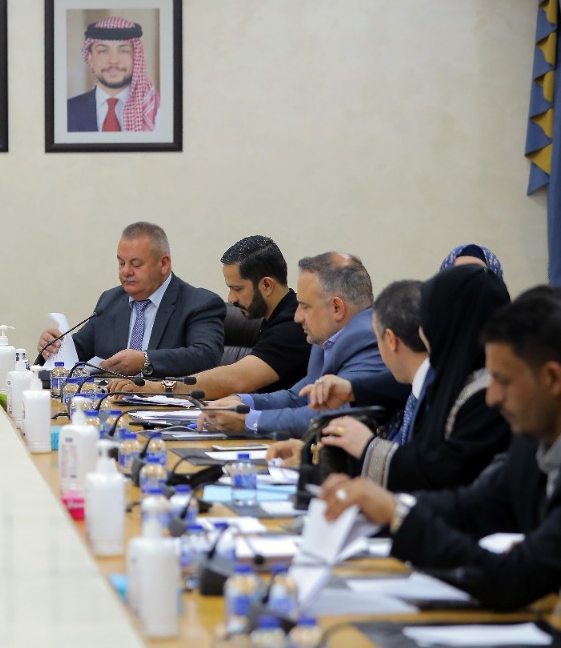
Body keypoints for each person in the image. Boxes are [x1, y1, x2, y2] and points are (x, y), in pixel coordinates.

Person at [321, 287, 561, 610]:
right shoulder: (530, 444)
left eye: (503, 381)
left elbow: (515, 578)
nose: (492, 397)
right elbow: (471, 507)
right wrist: (385, 504)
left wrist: (397, 514)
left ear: (552, 379)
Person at [279, 268, 513, 491]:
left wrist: (369, 447)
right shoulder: (445, 378)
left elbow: (439, 476)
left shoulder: (481, 396)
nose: (422, 330)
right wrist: (314, 455)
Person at [200, 252, 407, 436]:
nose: (297, 317)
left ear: (336, 308)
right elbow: (297, 397)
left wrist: (249, 421)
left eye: (305, 307)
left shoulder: (368, 339)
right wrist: (241, 402)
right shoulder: (326, 337)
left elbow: (333, 416)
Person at [109, 235, 309, 398]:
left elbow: (237, 379)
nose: (231, 298)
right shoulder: (274, 318)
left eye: (238, 289)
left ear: (266, 285)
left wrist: (156, 388)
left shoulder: (293, 323)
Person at [37, 222, 225, 377]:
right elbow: (78, 351)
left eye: (136, 264)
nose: (126, 271)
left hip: (166, 405)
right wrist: (54, 347)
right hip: (112, 402)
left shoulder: (199, 303)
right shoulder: (110, 301)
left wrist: (145, 360)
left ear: (163, 264)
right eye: (121, 263)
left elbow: (206, 355)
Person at [66, 17, 161, 133]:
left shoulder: (159, 110)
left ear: (136, 57)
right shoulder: (66, 111)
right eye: (103, 51)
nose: (113, 60)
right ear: (90, 59)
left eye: (124, 51)